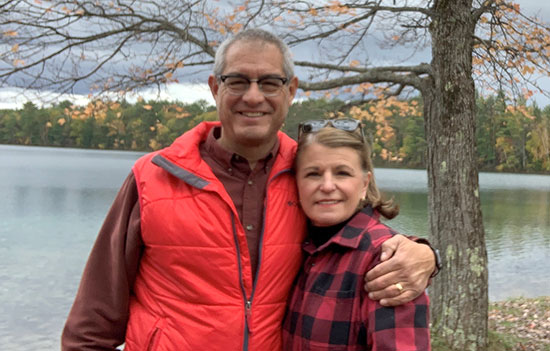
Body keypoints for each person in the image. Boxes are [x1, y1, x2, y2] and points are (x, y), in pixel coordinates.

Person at [61, 29, 437, 351]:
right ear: (214, 88)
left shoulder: (307, 172)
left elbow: (361, 233)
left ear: (291, 91)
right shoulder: (153, 177)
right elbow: (95, 316)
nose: (253, 97)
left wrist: (425, 253)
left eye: (269, 83)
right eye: (238, 81)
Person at [283, 120, 430, 350]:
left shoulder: (387, 261)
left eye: (342, 173)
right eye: (313, 174)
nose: (328, 185)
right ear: (296, 183)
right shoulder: (297, 247)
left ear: (364, 184)